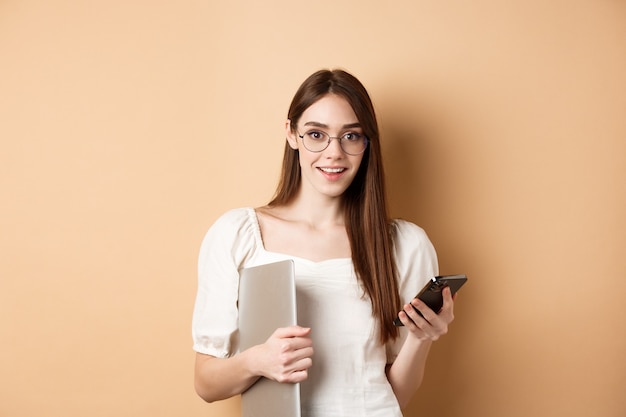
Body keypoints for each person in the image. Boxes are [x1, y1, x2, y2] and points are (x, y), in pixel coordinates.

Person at [192, 69, 456, 416]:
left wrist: (422, 338)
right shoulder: (237, 234)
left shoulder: (405, 245)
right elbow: (206, 384)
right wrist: (257, 361)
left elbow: (395, 396)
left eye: (351, 136)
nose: (334, 153)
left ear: (367, 144)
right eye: (317, 134)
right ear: (291, 134)